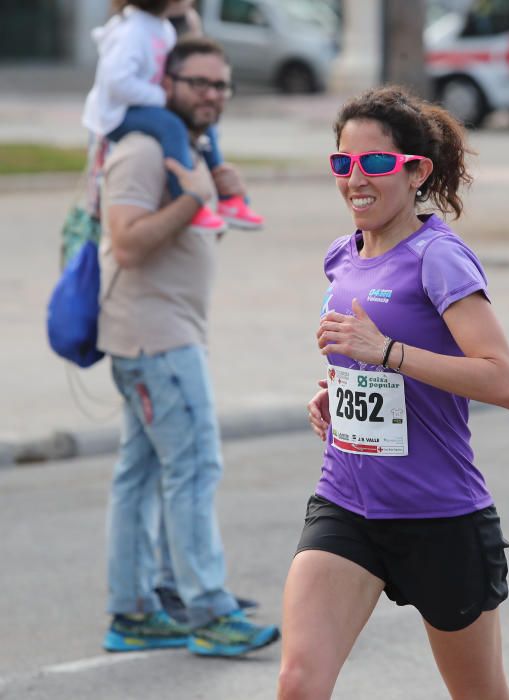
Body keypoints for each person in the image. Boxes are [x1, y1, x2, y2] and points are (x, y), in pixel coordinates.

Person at [277, 85, 509, 699]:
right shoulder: (343, 256)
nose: (355, 178)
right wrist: (339, 393)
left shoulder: (439, 260)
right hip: (348, 502)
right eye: (343, 163)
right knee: (298, 685)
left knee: (483, 696)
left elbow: (504, 381)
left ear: (416, 171)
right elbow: (367, 369)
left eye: (376, 163)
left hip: (439, 515)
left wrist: (386, 352)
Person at [98, 34, 279, 657]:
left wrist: (220, 200)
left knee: (141, 474)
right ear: (165, 84)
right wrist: (195, 200)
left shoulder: (190, 149)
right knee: (195, 467)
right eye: (197, 82)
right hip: (158, 341)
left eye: (220, 85)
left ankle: (136, 609)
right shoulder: (145, 149)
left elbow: (188, 240)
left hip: (157, 335)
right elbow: (126, 242)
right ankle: (207, 611)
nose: (210, 95)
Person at [84, 0, 262, 234]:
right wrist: (161, 97)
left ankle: (228, 198)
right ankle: (187, 199)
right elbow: (116, 83)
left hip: (145, 104)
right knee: (173, 127)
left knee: (203, 125)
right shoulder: (132, 31)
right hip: (119, 113)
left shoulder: (162, 28)